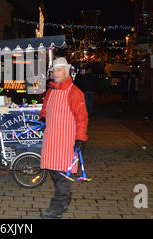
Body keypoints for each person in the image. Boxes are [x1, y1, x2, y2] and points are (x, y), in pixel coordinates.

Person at [39, 57, 88, 219]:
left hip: (65, 142)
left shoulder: (75, 93)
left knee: (62, 177)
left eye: (59, 70)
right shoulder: (51, 91)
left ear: (66, 72)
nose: (55, 73)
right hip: (51, 140)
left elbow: (82, 118)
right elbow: (45, 108)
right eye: (54, 70)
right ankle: (64, 200)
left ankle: (57, 208)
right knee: (54, 172)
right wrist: (43, 118)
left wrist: (80, 139)